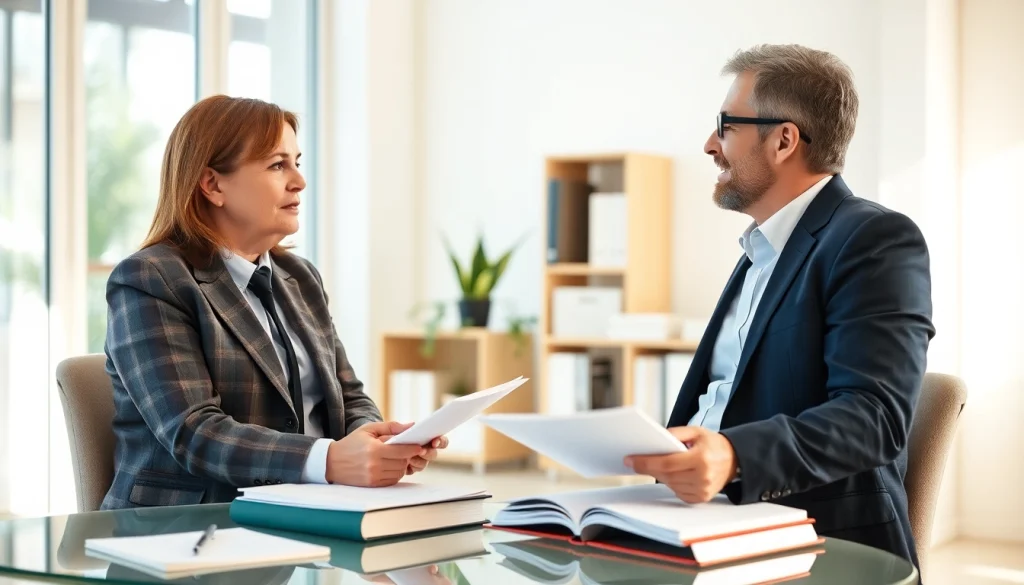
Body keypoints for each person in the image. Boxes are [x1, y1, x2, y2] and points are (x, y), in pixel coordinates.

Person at [624, 44, 934, 569]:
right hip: (702, 519)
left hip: (814, 543)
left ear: (783, 140)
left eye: (725, 127)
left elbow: (873, 417)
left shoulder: (873, 238)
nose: (709, 145)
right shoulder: (759, 253)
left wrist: (733, 456)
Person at [100, 95, 445, 510]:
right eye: (277, 164)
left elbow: (349, 396)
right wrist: (332, 459)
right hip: (191, 526)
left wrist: (381, 443)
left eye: (297, 162)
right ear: (213, 184)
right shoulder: (151, 279)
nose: (298, 181)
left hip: (308, 513)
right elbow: (194, 433)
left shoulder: (300, 278)